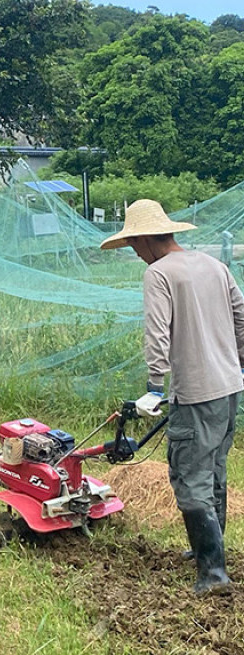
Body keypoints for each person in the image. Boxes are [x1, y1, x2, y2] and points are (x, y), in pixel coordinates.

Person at [101, 199, 244, 595]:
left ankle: (213, 574)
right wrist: (240, 364)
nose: (135, 253)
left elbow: (157, 333)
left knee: (189, 476)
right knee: (214, 468)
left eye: (134, 245)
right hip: (230, 389)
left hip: (196, 394)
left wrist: (153, 388)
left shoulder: (159, 274)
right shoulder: (214, 266)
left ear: (147, 239)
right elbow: (240, 317)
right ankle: (206, 552)